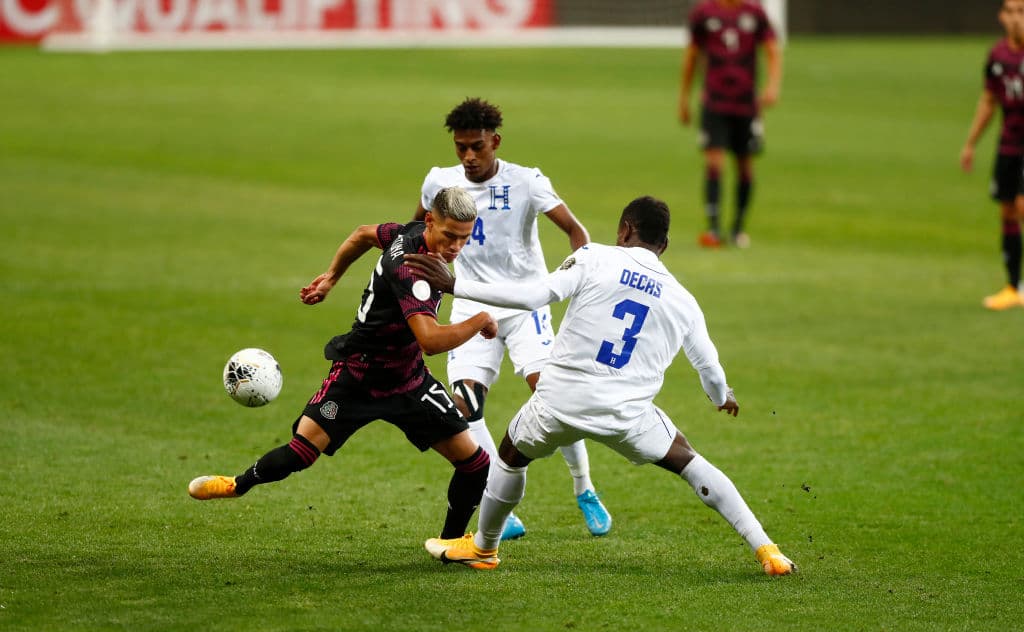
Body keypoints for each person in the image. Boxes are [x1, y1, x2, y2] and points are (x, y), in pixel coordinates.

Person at [407, 196, 797, 576]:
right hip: (627, 415)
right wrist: (721, 396)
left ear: (625, 229)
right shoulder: (684, 300)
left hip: (558, 404)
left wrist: (456, 286)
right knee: (690, 462)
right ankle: (768, 549)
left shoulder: (595, 257)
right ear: (664, 244)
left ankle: (484, 548)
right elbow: (708, 366)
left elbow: (533, 295)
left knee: (510, 455)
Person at [188, 187, 499, 543]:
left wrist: (333, 276)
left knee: (475, 465)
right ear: (430, 220)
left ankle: (450, 544)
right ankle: (236, 485)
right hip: (359, 375)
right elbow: (430, 341)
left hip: (408, 380)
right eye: (449, 236)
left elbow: (363, 234)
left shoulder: (407, 233)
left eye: (464, 237)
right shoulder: (411, 271)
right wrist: (480, 321)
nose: (457, 247)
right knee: (301, 452)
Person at [413, 97, 611, 540]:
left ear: (495, 142)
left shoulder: (526, 182)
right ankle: (495, 495)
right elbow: (416, 233)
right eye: (460, 147)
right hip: (470, 306)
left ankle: (584, 488)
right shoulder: (440, 183)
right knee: (464, 406)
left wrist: (574, 283)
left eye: (476, 147)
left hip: (526, 307)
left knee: (553, 396)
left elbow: (578, 233)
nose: (467, 156)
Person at [679, 0, 782, 248]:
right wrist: (684, 96)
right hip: (714, 102)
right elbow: (692, 55)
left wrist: (772, 85)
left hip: (747, 103)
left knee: (745, 165)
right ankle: (714, 229)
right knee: (714, 162)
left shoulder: (754, 12)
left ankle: (737, 229)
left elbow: (772, 49)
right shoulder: (703, 13)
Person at [960, 0, 1024, 310]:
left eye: (1022, 12)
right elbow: (989, 101)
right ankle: (1013, 286)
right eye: (1010, 12)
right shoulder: (997, 56)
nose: (1015, 19)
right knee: (1008, 211)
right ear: (1001, 16)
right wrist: (971, 142)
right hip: (1009, 145)